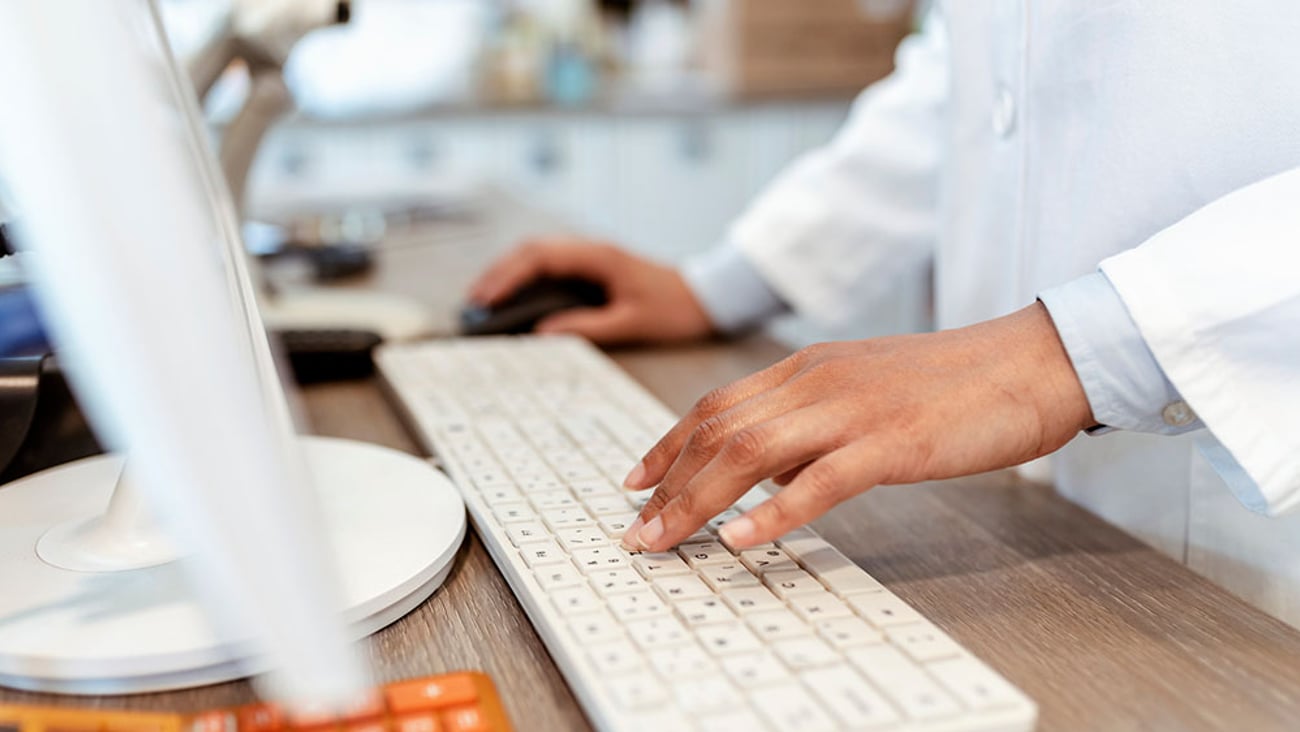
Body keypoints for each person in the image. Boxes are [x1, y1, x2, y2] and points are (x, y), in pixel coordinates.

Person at [469, 4, 1300, 626]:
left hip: (1250, 564)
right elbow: (980, 70)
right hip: (1010, 535)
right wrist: (721, 284)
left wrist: (1065, 356)